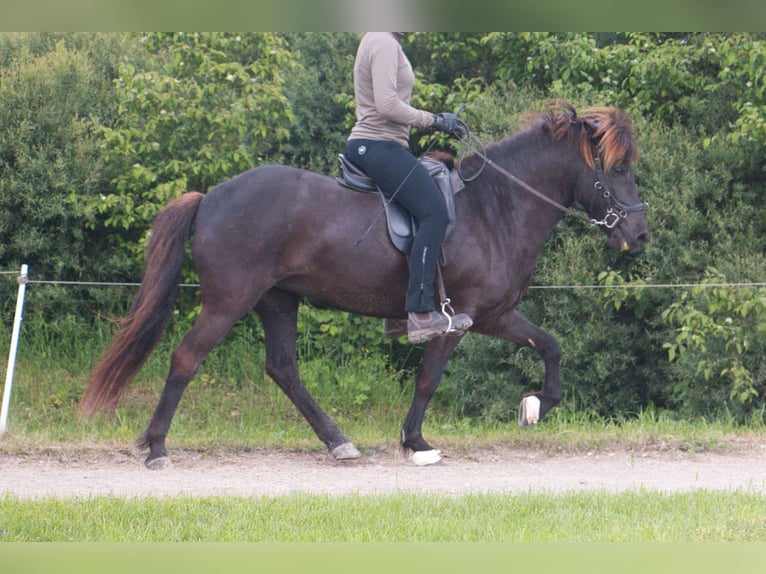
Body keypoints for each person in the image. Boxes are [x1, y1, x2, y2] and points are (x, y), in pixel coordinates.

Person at [345, 32, 473, 344]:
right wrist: (434, 120)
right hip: (378, 145)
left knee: (417, 209)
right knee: (433, 212)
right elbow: (388, 105)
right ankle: (419, 313)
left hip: (382, 146)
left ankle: (396, 318)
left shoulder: (381, 40)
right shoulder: (385, 42)